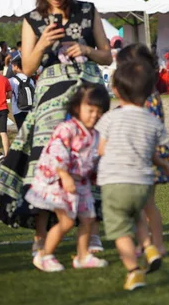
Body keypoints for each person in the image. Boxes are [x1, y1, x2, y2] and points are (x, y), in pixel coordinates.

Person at [0, 0, 112, 257]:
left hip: (88, 91)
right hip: (50, 95)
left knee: (89, 161)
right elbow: (26, 67)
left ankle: (90, 233)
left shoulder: (87, 11)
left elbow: (108, 56)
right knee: (47, 163)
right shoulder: (32, 19)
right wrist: (42, 44)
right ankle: (40, 237)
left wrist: (88, 50)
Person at [95, 60, 169, 290]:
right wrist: (166, 167)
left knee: (120, 231)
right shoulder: (151, 121)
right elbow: (152, 153)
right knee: (139, 216)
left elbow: (101, 149)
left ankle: (133, 271)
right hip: (142, 182)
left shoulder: (110, 118)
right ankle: (149, 247)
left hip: (115, 182)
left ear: (116, 90)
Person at [26, 85, 110, 272]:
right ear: (77, 107)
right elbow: (57, 152)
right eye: (90, 110)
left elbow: (94, 160)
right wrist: (64, 175)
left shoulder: (95, 135)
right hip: (58, 181)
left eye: (99, 112)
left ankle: (82, 256)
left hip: (81, 182)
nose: (94, 115)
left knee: (88, 218)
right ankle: (44, 254)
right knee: (66, 221)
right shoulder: (67, 128)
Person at [116, 44, 169, 258]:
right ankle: (150, 244)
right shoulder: (150, 91)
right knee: (146, 205)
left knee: (144, 205)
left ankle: (154, 244)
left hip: (146, 155)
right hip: (148, 153)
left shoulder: (146, 95)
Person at [9, 58, 35, 130]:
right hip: (30, 108)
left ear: (16, 67)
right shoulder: (30, 80)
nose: (12, 68)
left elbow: (8, 93)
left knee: (21, 131)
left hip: (17, 109)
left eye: (12, 66)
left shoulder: (12, 80)